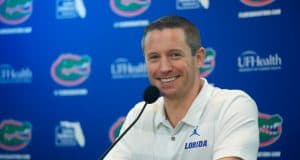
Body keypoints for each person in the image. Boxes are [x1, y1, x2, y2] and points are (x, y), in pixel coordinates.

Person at [105, 15, 259, 160]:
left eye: (175, 55)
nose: (164, 68)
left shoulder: (233, 106)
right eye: (154, 57)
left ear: (199, 58)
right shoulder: (139, 114)